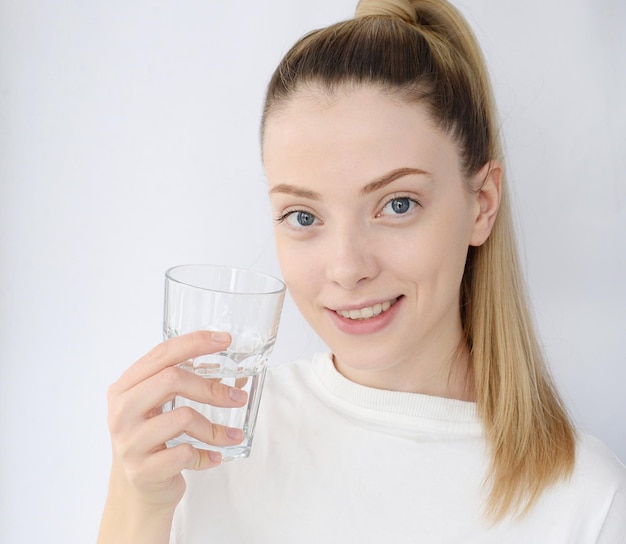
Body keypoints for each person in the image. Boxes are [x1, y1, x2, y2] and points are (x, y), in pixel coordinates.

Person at [98, 0, 626, 542]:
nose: (347, 268)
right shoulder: (207, 441)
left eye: (397, 204)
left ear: (483, 203)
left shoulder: (585, 501)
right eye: (303, 216)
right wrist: (137, 501)